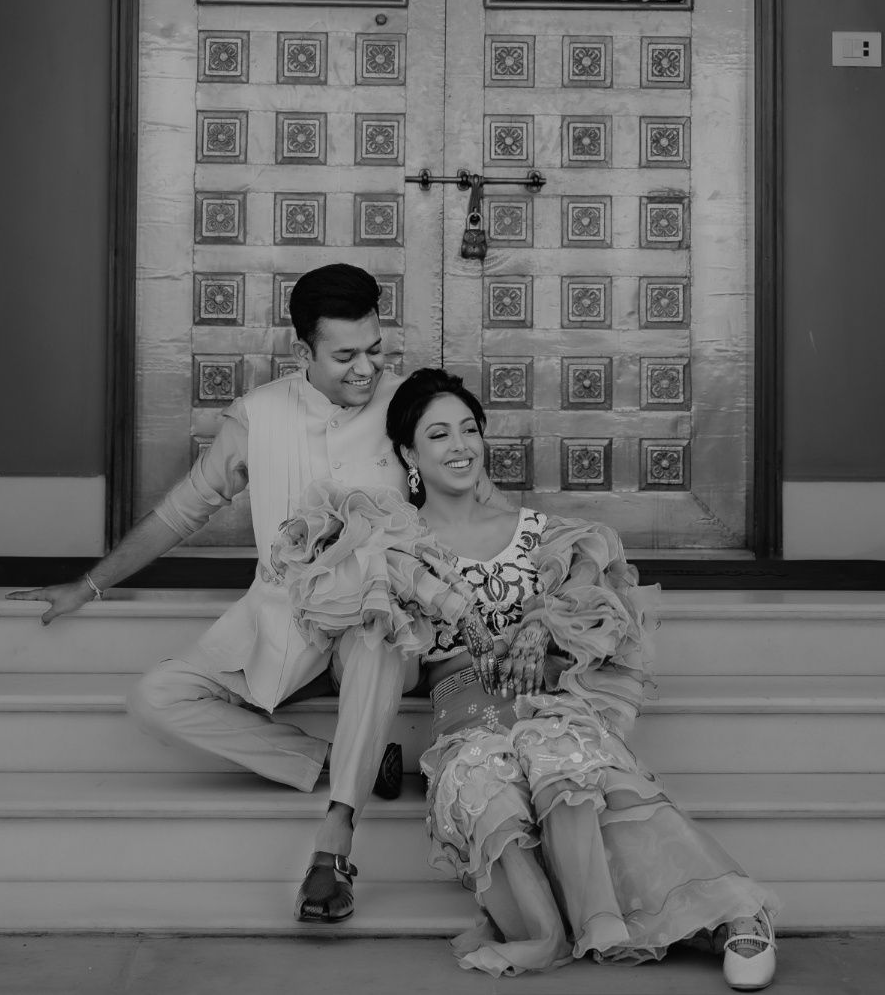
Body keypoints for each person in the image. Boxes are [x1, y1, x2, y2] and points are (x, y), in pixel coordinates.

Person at [268, 368, 779, 986]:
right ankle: (557, 916)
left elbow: (596, 607)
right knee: (487, 781)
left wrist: (539, 627)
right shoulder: (396, 539)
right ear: (408, 454)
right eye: (438, 435)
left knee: (567, 765)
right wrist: (451, 609)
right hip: (463, 718)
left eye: (469, 430)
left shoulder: (542, 534)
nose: (460, 446)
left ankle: (730, 913)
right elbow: (348, 605)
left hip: (547, 704)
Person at [10, 262, 411, 923]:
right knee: (155, 698)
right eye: (345, 357)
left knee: (376, 638)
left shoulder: (410, 404)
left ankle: (334, 841)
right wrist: (89, 583)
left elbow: (461, 502)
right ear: (303, 352)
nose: (366, 368)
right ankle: (340, 759)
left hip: (380, 615)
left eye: (375, 349)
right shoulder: (260, 415)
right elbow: (185, 509)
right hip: (285, 620)